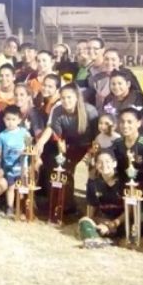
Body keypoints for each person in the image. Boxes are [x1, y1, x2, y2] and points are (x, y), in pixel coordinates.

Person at [35, 84, 99, 212]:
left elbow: (97, 134)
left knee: (95, 172)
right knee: (63, 169)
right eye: (63, 98)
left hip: (89, 144)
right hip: (69, 145)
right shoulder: (58, 110)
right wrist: (41, 143)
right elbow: (54, 131)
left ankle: (95, 207)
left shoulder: (90, 111)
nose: (66, 101)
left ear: (77, 98)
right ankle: (64, 204)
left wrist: (93, 153)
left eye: (69, 97)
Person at [78, 150, 126, 248]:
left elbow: (130, 211)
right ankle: (96, 240)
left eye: (107, 161)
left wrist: (113, 224)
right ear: (96, 165)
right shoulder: (93, 184)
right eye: (100, 162)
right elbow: (91, 212)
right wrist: (93, 222)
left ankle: (103, 240)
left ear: (114, 163)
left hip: (122, 223)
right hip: (104, 220)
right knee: (84, 221)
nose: (104, 165)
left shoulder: (123, 183)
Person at [0, 105, 32, 219]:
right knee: (10, 188)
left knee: (21, 189)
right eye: (8, 119)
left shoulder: (24, 132)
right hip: (9, 169)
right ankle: (9, 207)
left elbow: (30, 147)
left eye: (13, 119)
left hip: (22, 168)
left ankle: (20, 208)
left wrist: (26, 154)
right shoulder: (1, 136)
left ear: (19, 120)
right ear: (4, 120)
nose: (10, 122)